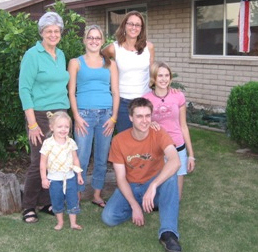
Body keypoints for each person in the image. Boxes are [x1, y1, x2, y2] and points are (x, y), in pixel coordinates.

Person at [102, 97, 182, 252]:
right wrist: (134, 206)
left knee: (171, 176)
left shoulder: (158, 133)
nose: (144, 121)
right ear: (131, 118)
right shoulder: (119, 140)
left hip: (154, 184)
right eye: (139, 116)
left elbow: (175, 161)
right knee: (109, 218)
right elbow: (120, 178)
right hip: (131, 186)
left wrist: (153, 186)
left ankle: (168, 234)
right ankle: (142, 204)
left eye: (147, 116)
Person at [18, 12, 70, 223]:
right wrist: (31, 124)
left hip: (62, 115)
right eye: (49, 31)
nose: (53, 34)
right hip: (39, 115)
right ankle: (28, 206)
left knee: (57, 160)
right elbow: (24, 89)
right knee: (38, 161)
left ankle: (48, 201)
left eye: (56, 31)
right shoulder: (33, 54)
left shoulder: (62, 54)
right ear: (41, 32)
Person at [68, 25, 119, 207]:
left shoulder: (110, 64)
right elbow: (71, 92)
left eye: (98, 38)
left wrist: (113, 118)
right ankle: (78, 194)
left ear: (102, 41)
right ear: (85, 40)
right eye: (91, 37)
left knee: (101, 158)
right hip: (84, 116)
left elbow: (115, 92)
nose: (94, 41)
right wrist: (76, 116)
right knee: (80, 157)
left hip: (106, 116)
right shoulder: (76, 62)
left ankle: (97, 194)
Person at [143, 62, 195, 200]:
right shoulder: (146, 99)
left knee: (177, 179)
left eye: (167, 75)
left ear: (170, 78)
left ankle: (174, 203)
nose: (164, 79)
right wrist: (149, 123)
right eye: (160, 75)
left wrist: (191, 155)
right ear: (153, 78)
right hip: (157, 147)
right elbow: (141, 125)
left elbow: (183, 125)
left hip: (177, 145)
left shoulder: (178, 96)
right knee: (158, 178)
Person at [102, 11, 155, 133]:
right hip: (123, 103)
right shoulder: (114, 48)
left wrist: (167, 90)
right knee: (125, 139)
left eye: (138, 25)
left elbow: (153, 75)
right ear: (124, 25)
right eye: (130, 24)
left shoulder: (149, 47)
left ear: (141, 29)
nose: (134, 27)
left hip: (144, 100)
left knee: (144, 139)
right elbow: (99, 57)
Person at [40, 111, 84, 230]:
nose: (63, 129)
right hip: (54, 179)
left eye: (66, 127)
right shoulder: (48, 144)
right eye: (60, 127)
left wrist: (79, 174)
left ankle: (73, 223)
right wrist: (44, 178)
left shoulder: (71, 142)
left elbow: (75, 159)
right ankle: (60, 222)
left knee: (72, 200)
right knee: (57, 201)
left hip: (69, 178)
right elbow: (43, 162)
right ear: (52, 127)